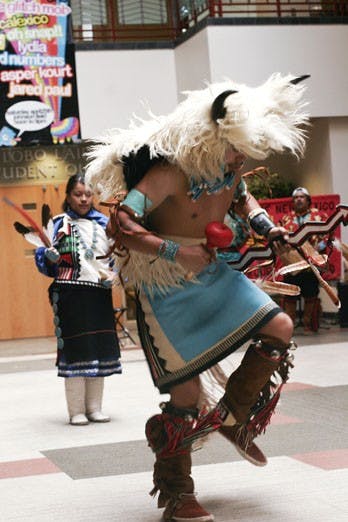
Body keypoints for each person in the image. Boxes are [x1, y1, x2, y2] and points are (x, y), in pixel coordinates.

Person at [85, 74, 309, 521]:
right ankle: (177, 494)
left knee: (280, 326)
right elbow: (122, 223)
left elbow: (243, 200)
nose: (240, 157)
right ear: (212, 137)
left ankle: (232, 417)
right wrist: (177, 251)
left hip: (209, 269)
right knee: (185, 395)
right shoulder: (170, 170)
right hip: (162, 279)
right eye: (236, 148)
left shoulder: (232, 166)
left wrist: (271, 228)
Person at [35, 174, 122, 426]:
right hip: (70, 295)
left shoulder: (105, 224)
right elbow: (44, 263)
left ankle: (95, 407)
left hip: (98, 294)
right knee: (75, 352)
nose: (84, 198)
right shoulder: (57, 224)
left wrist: (112, 276)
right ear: (68, 196)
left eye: (88, 193)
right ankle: (76, 410)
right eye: (77, 193)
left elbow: (115, 259)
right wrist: (48, 259)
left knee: (99, 349)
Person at [280, 187, 328, 333]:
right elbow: (279, 240)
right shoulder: (285, 219)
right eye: (296, 198)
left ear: (308, 200)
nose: (299, 200)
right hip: (292, 266)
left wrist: (318, 248)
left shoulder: (319, 217)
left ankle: (308, 324)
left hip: (310, 265)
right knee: (290, 295)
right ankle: (289, 326)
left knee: (311, 294)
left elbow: (328, 237)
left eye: (302, 197)